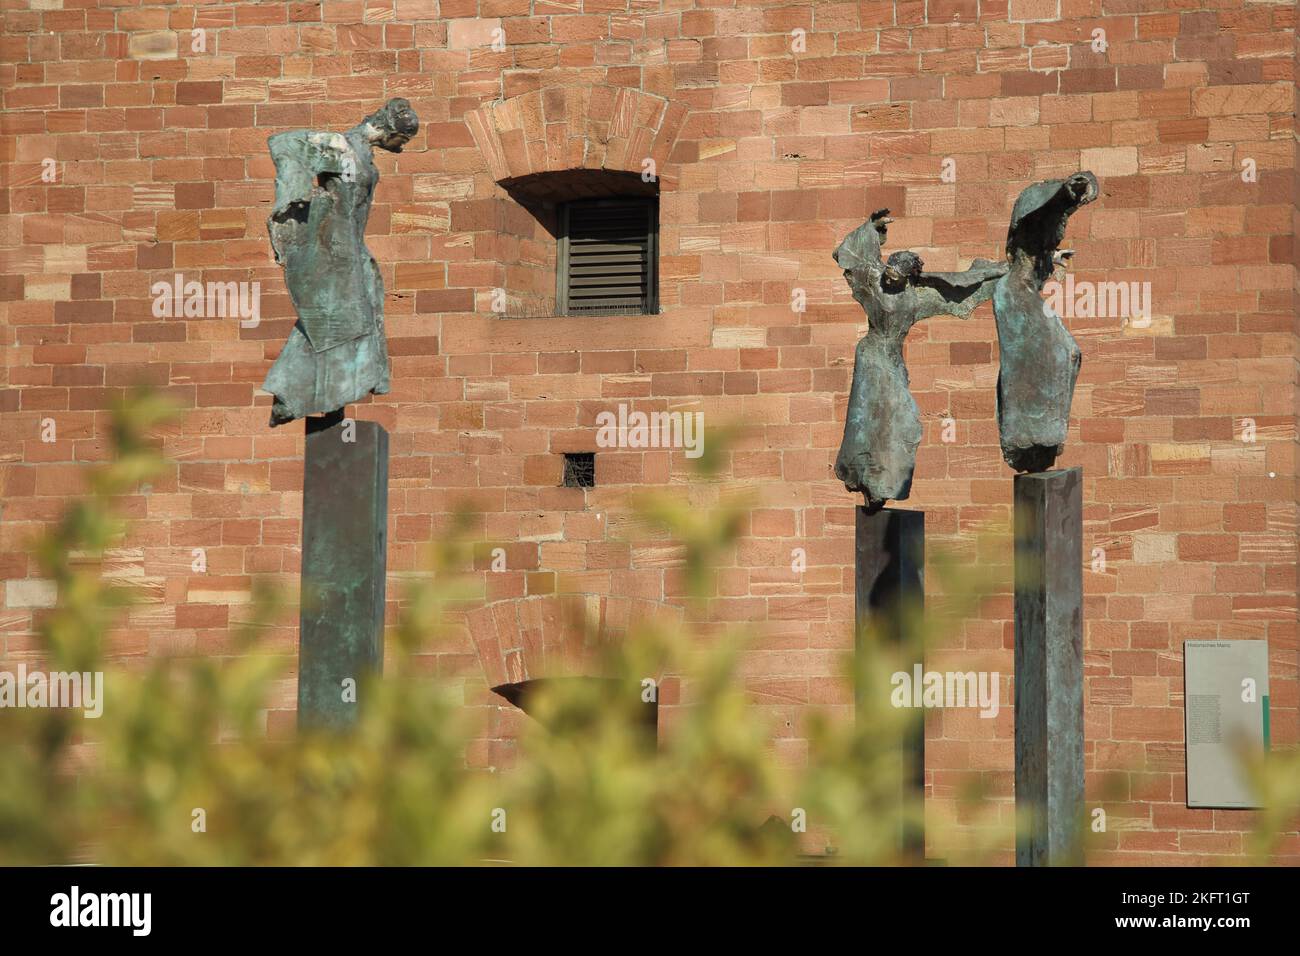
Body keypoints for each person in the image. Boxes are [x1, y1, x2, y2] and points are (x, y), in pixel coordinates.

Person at [262, 98, 420, 427]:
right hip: (332, 248)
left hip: (352, 249)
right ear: (391, 130)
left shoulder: (363, 153)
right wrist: (297, 193)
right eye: (402, 140)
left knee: (361, 319)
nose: (401, 148)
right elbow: (284, 143)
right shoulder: (341, 146)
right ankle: (292, 394)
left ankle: (304, 393)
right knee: (338, 322)